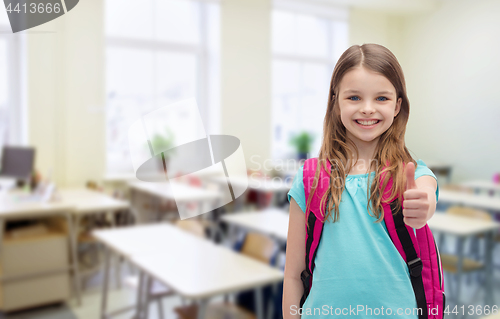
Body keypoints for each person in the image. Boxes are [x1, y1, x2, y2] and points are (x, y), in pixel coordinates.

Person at [282, 43, 439, 318]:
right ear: (335, 102)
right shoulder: (310, 178)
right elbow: (294, 275)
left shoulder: (410, 174)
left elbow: (426, 189)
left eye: (381, 98)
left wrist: (424, 203)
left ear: (397, 105)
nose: (367, 109)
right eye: (354, 97)